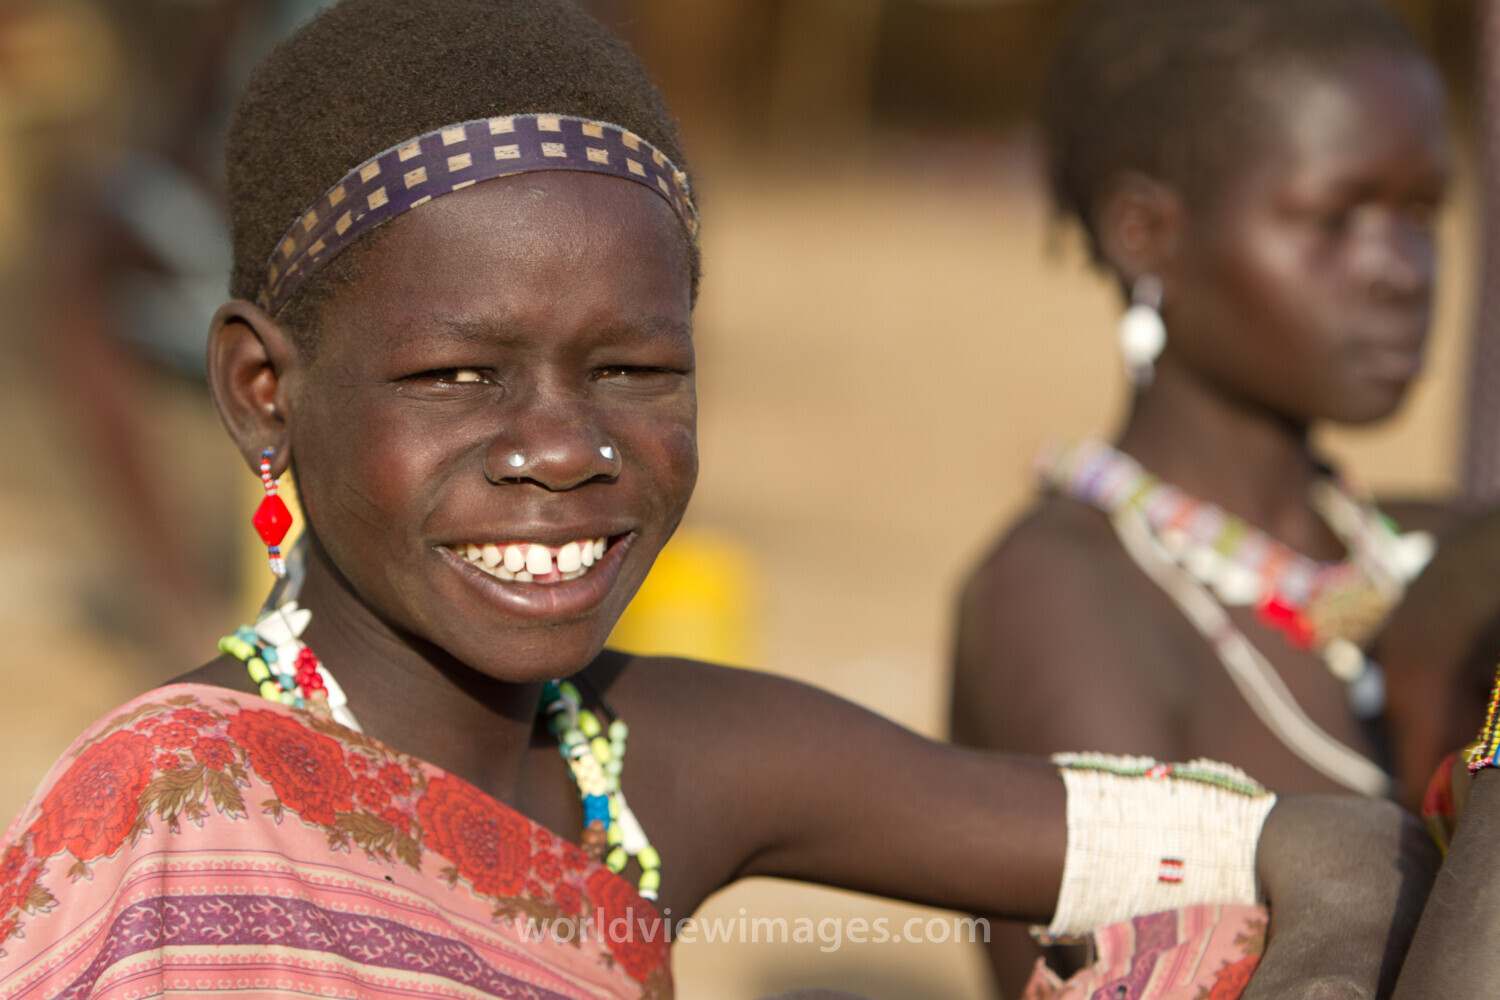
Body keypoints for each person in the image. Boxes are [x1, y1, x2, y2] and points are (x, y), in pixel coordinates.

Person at [0, 2, 1432, 998]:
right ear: (264, 389)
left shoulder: (666, 759)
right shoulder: (172, 813)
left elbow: (1321, 841)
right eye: (453, 377)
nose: (564, 450)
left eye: (633, 369)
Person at [947, 0, 1452, 991]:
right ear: (1147, 233)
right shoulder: (1062, 599)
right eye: (1335, 217)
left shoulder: (1432, 552)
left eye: (1423, 213)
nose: (1402, 271)